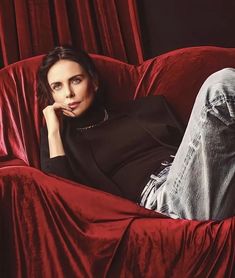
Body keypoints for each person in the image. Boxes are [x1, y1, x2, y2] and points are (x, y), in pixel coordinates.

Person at [38, 45, 235, 221]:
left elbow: (201, 146)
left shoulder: (145, 110)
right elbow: (59, 197)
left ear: (94, 82)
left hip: (201, 177)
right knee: (220, 85)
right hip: (164, 201)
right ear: (51, 94)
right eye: (57, 86)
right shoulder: (64, 143)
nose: (68, 93)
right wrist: (53, 131)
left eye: (76, 80)